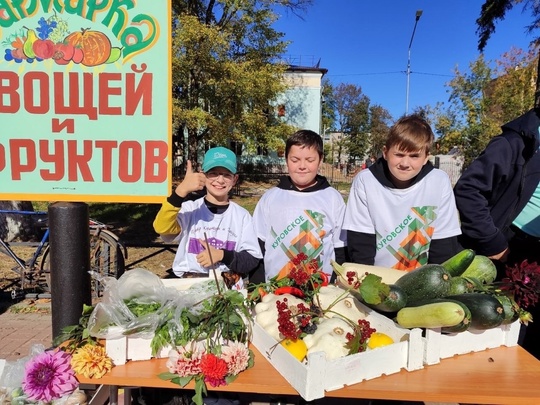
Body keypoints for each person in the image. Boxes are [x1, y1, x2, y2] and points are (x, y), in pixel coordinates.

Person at [453, 108, 540, 359]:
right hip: (511, 252)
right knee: (501, 345)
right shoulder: (515, 142)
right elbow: (468, 191)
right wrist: (494, 244)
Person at [343, 114, 461, 270]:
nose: (405, 163)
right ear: (385, 153)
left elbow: (444, 243)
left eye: (414, 156)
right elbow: (360, 241)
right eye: (399, 155)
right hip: (377, 279)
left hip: (421, 281)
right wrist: (366, 282)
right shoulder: (365, 181)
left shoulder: (439, 181)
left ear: (426, 157)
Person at [153, 146, 262, 287]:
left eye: (226, 174)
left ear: (235, 179)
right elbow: (162, 228)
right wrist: (180, 191)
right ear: (203, 175)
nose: (220, 180)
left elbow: (251, 259)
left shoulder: (242, 216)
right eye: (213, 173)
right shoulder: (191, 209)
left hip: (228, 288)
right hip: (189, 285)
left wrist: (222, 255)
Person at [251, 129, 347, 282]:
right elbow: (258, 245)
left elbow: (341, 247)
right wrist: (257, 286)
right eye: (295, 160)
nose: (302, 166)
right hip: (276, 292)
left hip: (321, 292)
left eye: (310, 160)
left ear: (320, 160)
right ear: (286, 159)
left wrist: (337, 282)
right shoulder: (270, 198)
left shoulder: (333, 198)